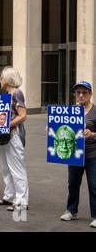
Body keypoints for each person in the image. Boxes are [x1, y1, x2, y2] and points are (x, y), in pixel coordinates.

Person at [0, 66, 29, 212]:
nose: (0, 80)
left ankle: (21, 201)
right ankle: (9, 195)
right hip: (5, 136)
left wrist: (6, 125)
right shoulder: (6, 95)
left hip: (13, 135)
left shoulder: (16, 93)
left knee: (16, 168)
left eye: (1, 77)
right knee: (6, 168)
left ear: (8, 80)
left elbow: (23, 115)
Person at [60, 81, 96, 228]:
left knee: (94, 185)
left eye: (84, 93)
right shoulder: (71, 111)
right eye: (78, 92)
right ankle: (71, 211)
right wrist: (52, 129)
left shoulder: (95, 111)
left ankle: (95, 215)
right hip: (74, 153)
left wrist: (93, 134)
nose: (81, 95)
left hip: (92, 155)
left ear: (90, 94)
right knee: (73, 183)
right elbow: (62, 128)